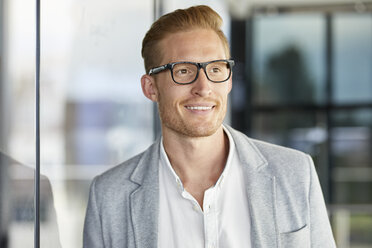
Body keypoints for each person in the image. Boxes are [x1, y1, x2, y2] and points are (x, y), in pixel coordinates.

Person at [83, 5, 336, 248]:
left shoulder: (295, 174)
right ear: (151, 88)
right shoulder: (108, 197)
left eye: (215, 69)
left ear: (228, 82)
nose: (203, 88)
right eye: (182, 71)